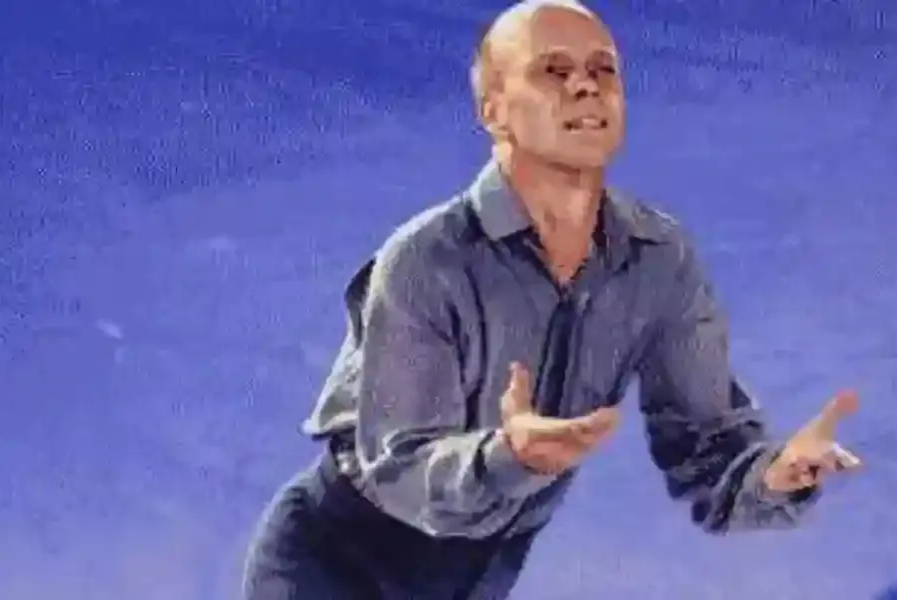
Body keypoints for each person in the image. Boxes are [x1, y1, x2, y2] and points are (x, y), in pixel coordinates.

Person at [239, 2, 864, 598]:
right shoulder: (426, 260)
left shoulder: (659, 259)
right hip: (336, 565)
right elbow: (401, 471)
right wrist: (506, 456)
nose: (586, 86)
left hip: (480, 578)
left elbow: (706, 449)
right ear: (494, 111)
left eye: (603, 70)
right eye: (553, 71)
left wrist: (772, 474)